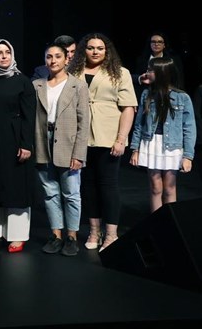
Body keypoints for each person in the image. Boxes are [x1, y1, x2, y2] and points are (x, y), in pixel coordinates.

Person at [66, 33, 136, 251]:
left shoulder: (120, 73)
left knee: (108, 185)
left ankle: (111, 234)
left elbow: (128, 108)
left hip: (108, 136)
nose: (95, 52)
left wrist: (121, 139)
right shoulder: (73, 72)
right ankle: (94, 232)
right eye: (90, 48)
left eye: (100, 48)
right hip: (80, 136)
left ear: (107, 51)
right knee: (88, 186)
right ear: (83, 50)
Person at [32, 43, 90, 257]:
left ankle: (71, 236)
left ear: (67, 59)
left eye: (58, 56)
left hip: (68, 142)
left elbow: (84, 122)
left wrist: (79, 154)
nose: (53, 60)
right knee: (50, 192)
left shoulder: (78, 85)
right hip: (42, 141)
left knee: (71, 193)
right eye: (49, 56)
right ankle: (56, 235)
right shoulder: (37, 85)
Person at [0, 39, 37, 253]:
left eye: (7, 52)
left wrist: (26, 143)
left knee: (16, 187)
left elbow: (29, 116)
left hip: (15, 140)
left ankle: (17, 235)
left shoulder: (22, 81)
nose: (4, 56)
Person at [129, 57, 195, 212]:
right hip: (151, 143)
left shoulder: (182, 97)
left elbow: (189, 128)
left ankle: (171, 222)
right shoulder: (147, 94)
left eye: (151, 70)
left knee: (169, 188)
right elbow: (139, 124)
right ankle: (156, 222)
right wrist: (135, 149)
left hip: (172, 145)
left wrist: (188, 156)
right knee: (155, 187)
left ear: (162, 73)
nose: (147, 73)